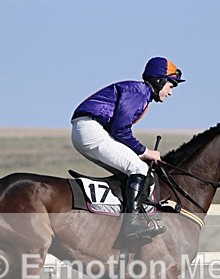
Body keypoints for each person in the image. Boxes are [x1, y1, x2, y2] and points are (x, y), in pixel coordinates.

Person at [71, 57, 185, 239]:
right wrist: (145, 152)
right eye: (171, 86)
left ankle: (119, 220)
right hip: (90, 129)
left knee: (130, 171)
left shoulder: (140, 93)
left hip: (88, 129)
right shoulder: (139, 92)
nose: (171, 92)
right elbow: (120, 130)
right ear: (160, 80)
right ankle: (131, 225)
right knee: (139, 168)